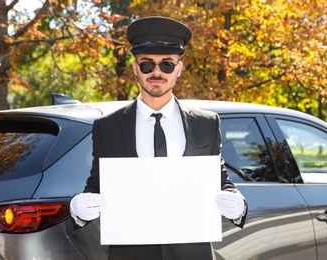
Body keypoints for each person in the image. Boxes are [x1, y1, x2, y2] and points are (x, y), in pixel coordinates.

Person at [70, 16, 247, 260]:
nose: (156, 72)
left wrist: (238, 205)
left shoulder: (206, 123)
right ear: (135, 68)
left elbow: (220, 180)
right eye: (147, 64)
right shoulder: (107, 126)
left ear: (179, 69)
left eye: (166, 64)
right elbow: (96, 185)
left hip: (191, 253)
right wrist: (78, 208)